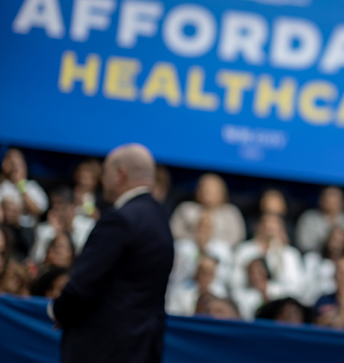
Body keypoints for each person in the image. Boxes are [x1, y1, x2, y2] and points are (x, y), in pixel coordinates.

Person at [50, 143, 174, 363]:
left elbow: (83, 284)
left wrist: (58, 311)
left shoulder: (120, 220)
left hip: (102, 350)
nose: (102, 182)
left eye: (104, 174)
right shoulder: (160, 218)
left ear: (120, 174)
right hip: (142, 348)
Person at [170, 173, 246, 247]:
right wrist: (196, 237)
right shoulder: (186, 208)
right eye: (204, 188)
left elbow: (238, 236)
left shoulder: (231, 212)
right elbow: (174, 231)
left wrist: (210, 240)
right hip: (191, 246)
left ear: (222, 192)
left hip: (220, 249)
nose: (206, 192)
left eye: (212, 190)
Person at [295, 186, 344, 253]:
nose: (330, 204)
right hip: (316, 257)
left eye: (334, 200)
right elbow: (304, 245)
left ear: (342, 202)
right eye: (327, 200)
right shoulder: (308, 218)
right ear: (320, 200)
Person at [0, 148, 48, 229]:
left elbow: (38, 210)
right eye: (11, 162)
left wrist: (21, 186)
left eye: (17, 164)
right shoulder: (3, 185)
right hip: (4, 227)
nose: (15, 167)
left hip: (25, 230)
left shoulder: (32, 186)